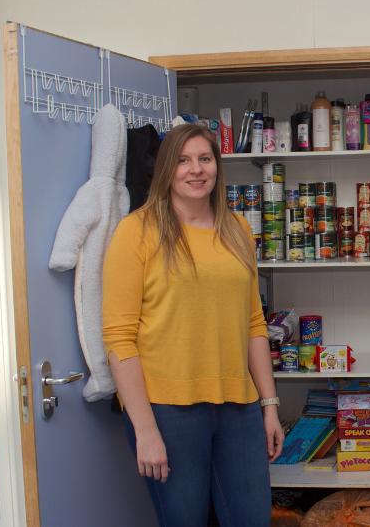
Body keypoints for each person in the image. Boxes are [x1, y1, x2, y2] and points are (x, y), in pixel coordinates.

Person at [103, 124, 282, 527]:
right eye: (183, 160)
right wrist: (145, 429)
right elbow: (118, 337)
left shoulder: (237, 229)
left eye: (205, 159)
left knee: (253, 519)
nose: (195, 170)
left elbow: (253, 322)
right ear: (167, 168)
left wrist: (268, 407)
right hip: (169, 411)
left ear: (217, 166)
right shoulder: (137, 231)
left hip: (238, 407)